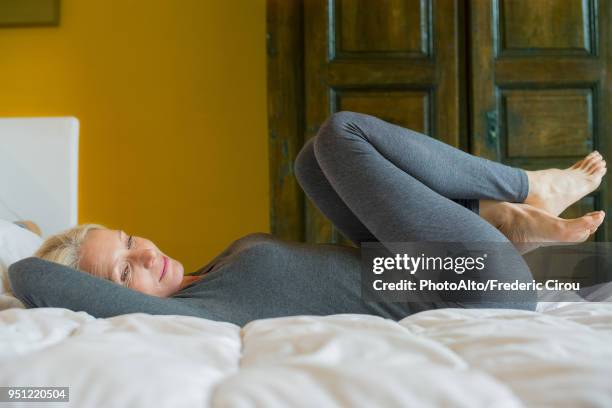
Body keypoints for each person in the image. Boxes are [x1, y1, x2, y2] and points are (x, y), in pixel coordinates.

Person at [8, 112, 606, 326]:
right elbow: (30, 277)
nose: (143, 253)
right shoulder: (190, 315)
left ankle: (496, 221)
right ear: (105, 298)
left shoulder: (205, 277)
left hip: (428, 273)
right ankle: (527, 189)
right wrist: (82, 281)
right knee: (342, 134)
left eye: (131, 239)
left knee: (311, 162)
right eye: (121, 272)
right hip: (477, 287)